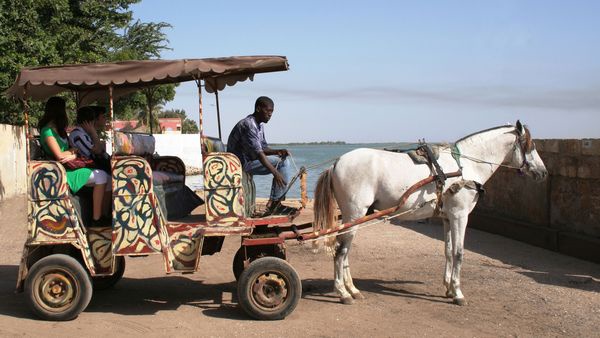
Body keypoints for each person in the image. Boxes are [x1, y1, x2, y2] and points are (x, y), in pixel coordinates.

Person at [38, 97, 110, 226]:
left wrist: (72, 153)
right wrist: (72, 153)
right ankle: (96, 219)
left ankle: (104, 215)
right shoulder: (47, 131)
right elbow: (60, 156)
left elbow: (72, 151)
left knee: (108, 179)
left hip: (69, 167)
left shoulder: (58, 130)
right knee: (101, 176)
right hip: (62, 172)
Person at [227, 96, 292, 215]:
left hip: (248, 161)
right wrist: (275, 173)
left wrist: (278, 151)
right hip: (239, 164)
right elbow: (260, 153)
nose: (270, 115)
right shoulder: (249, 124)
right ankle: (275, 203)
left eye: (272, 112)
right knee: (283, 163)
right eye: (268, 111)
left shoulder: (259, 125)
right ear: (258, 109)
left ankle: (275, 202)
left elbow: (263, 148)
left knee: (282, 159)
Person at [69, 106, 111, 172]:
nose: (106, 119)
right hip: (87, 166)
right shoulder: (78, 135)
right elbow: (98, 151)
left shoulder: (85, 134)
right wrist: (93, 133)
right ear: (89, 122)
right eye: (103, 117)